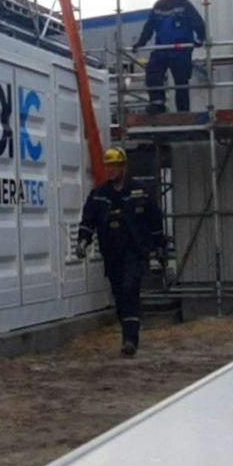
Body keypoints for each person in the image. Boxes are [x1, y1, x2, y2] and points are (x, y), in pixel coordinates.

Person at [76, 148, 170, 356]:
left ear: (124, 167)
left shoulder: (140, 192)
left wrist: (157, 251)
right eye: (108, 166)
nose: (111, 170)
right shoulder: (100, 196)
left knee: (130, 289)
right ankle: (127, 332)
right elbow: (88, 221)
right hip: (112, 255)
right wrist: (82, 241)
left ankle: (130, 339)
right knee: (120, 295)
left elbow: (155, 223)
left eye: (115, 166)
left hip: (135, 253)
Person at [132, 0, 206, 114]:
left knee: (181, 83)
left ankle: (183, 112)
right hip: (164, 49)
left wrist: (200, 38)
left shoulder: (182, 4)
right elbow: (149, 28)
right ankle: (157, 104)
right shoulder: (159, 7)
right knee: (154, 72)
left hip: (180, 49)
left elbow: (197, 22)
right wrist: (140, 43)